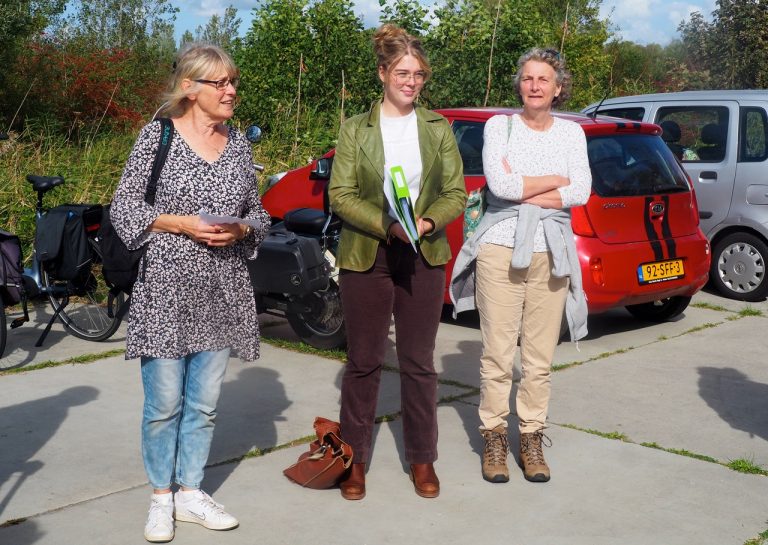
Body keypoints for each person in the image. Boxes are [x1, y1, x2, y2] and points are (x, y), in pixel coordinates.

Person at [110, 43, 270, 543]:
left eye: (233, 81)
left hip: (222, 292)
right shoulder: (156, 136)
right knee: (163, 405)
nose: (231, 91)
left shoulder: (239, 143)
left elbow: (259, 215)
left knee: (203, 405)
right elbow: (124, 206)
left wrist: (241, 230)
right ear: (189, 88)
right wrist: (178, 223)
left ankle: (190, 491)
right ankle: (161, 498)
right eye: (219, 83)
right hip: (165, 291)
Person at [328, 23, 466, 501]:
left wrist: (425, 224)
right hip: (369, 254)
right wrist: (385, 226)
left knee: (418, 363)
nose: (412, 82)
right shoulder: (355, 129)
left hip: (424, 254)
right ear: (383, 72)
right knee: (363, 362)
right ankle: (354, 460)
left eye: (420, 74)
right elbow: (340, 195)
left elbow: (456, 194)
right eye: (403, 72)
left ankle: (422, 458)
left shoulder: (437, 127)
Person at [450, 48, 591, 484]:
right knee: (497, 353)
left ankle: (530, 436)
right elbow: (501, 185)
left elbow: (582, 190)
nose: (534, 86)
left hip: (551, 249)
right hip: (499, 249)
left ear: (558, 88)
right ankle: (493, 436)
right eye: (528, 78)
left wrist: (526, 189)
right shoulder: (500, 126)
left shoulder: (572, 135)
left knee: (538, 358)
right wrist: (553, 180)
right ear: (520, 84)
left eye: (543, 79)